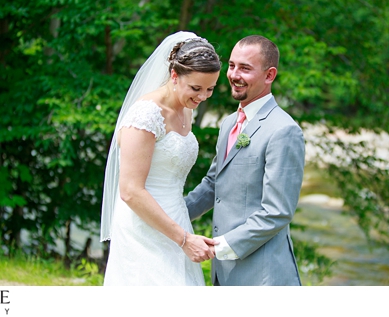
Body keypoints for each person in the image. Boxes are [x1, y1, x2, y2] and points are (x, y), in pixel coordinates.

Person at [101, 32, 221, 285]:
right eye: (196, 88)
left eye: (210, 89)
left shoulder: (185, 109)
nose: (202, 97)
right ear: (175, 76)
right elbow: (131, 191)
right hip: (143, 224)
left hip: (176, 216)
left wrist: (183, 234)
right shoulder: (146, 114)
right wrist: (184, 239)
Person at [185, 35, 305, 285]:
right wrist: (171, 217)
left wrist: (219, 248)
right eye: (231, 65)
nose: (234, 75)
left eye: (245, 68)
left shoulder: (283, 130)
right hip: (224, 274)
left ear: (270, 75)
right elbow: (212, 185)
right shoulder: (229, 122)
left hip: (262, 276)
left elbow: (277, 212)